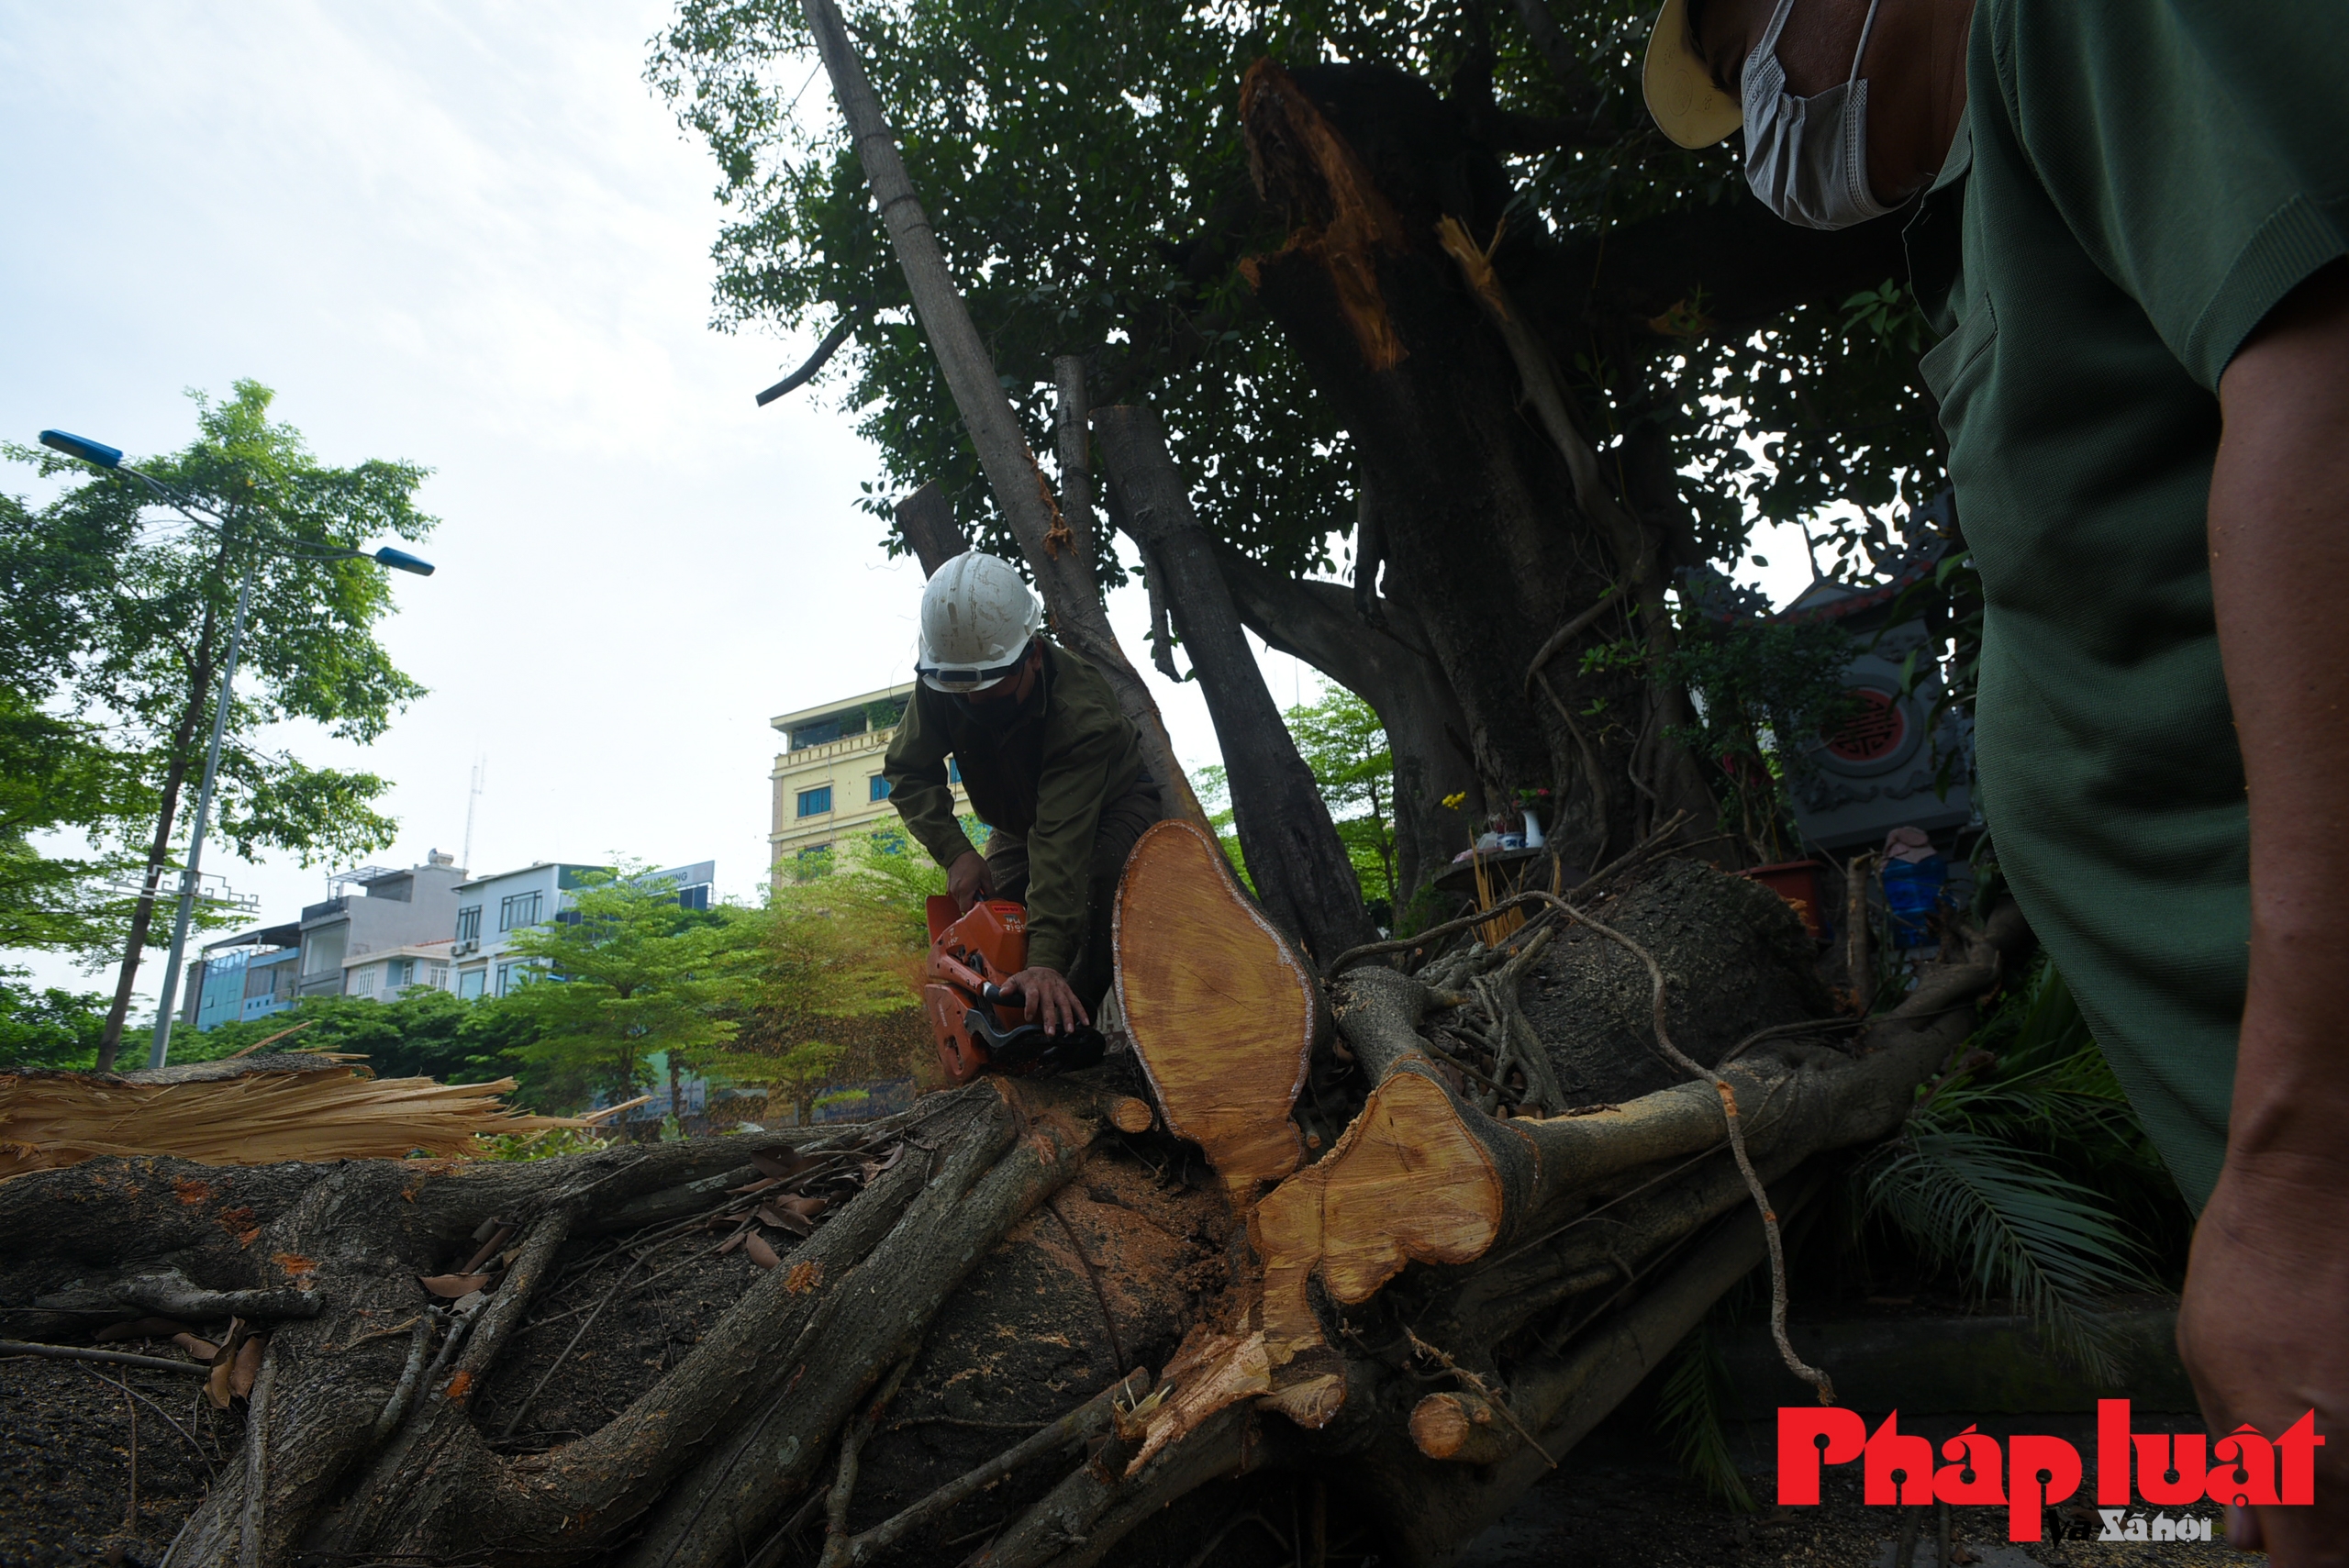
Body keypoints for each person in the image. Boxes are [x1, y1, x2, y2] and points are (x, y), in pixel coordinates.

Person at [1644, 2, 2347, 1554]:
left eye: (1735, 34)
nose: (1757, 111)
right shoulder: (1989, 200)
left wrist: (2305, 1183)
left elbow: (2321, 390)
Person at [883, 550, 1159, 1038]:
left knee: (1087, 903)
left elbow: (1059, 845)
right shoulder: (945, 678)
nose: (972, 702)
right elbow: (908, 770)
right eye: (962, 691)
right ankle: (990, 1046)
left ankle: (1061, 1035)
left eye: (989, 690)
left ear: (1032, 654)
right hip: (1016, 824)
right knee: (992, 936)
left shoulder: (1082, 712)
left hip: (1107, 808)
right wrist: (957, 854)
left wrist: (1047, 962)